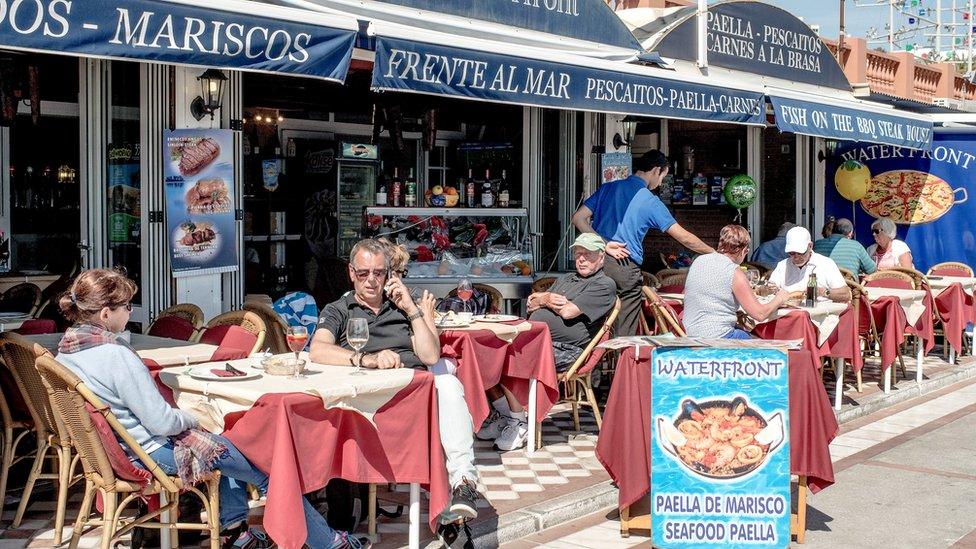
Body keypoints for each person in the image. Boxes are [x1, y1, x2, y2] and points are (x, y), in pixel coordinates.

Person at [54, 269, 361, 549]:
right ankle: (329, 542)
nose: (130, 312)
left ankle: (236, 532)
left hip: (120, 453)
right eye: (126, 307)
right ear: (106, 313)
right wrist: (195, 419)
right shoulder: (115, 355)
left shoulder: (66, 351)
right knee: (268, 466)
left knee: (232, 448)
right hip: (153, 452)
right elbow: (161, 421)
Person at [310, 239, 482, 525]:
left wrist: (412, 309)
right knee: (448, 385)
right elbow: (318, 350)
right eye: (364, 273)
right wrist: (368, 359)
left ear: (388, 274)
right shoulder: (339, 309)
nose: (371, 280)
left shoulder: (401, 307)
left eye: (378, 273)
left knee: (449, 384)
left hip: (414, 399)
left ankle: (464, 483)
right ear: (351, 272)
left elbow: (429, 354)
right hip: (370, 407)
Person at [476, 234, 616, 450]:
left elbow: (569, 312)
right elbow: (532, 304)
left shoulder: (604, 284)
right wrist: (545, 299)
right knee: (488, 353)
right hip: (537, 340)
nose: (581, 259)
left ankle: (519, 422)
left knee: (509, 358)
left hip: (569, 350)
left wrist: (544, 300)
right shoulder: (567, 279)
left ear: (601, 257)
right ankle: (508, 416)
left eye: (587, 254)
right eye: (578, 253)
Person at [571, 150, 714, 336]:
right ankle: (621, 362)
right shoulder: (649, 200)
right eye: (663, 176)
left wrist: (603, 244)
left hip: (594, 262)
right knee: (624, 329)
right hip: (624, 265)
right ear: (656, 170)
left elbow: (578, 218)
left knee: (592, 319)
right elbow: (683, 237)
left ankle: (595, 360)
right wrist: (712, 252)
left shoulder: (609, 188)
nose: (661, 182)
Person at [683, 225, 792, 339]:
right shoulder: (734, 272)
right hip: (717, 338)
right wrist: (780, 298)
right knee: (764, 341)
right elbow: (759, 314)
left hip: (689, 334)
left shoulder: (699, 261)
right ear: (745, 250)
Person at [768, 227, 852, 303]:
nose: (796, 257)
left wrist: (823, 292)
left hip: (818, 316)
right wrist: (768, 289)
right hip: (787, 313)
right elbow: (768, 289)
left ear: (810, 246)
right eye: (792, 253)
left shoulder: (825, 263)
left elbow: (846, 294)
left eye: (801, 253)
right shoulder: (783, 265)